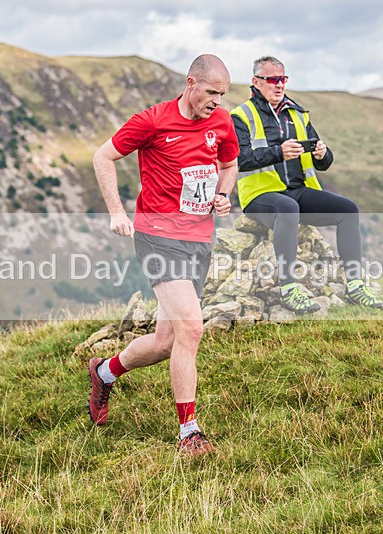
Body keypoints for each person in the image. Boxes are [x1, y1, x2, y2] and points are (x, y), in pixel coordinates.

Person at [88, 54, 239, 456]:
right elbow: (102, 157)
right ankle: (189, 431)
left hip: (199, 239)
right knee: (192, 328)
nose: (216, 102)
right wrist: (117, 212)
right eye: (211, 93)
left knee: (165, 341)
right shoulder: (152, 120)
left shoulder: (221, 122)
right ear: (191, 83)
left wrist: (223, 195)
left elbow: (230, 163)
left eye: (222, 95)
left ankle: (104, 371)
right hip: (156, 236)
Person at [231, 56, 383, 313]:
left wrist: (322, 154)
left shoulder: (298, 114)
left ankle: (356, 285)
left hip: (299, 190)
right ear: (256, 82)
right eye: (272, 80)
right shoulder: (240, 115)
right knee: (287, 207)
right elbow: (239, 160)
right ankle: (288, 288)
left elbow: (324, 162)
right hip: (260, 195)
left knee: (348, 210)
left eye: (283, 79)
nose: (279, 85)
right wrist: (278, 153)